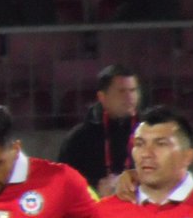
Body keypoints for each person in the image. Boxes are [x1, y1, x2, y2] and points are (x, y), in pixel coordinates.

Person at [57, 65, 141, 197]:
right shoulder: (79, 139)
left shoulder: (150, 132)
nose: (129, 97)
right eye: (122, 91)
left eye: (133, 90)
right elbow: (64, 182)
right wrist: (96, 187)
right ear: (102, 97)